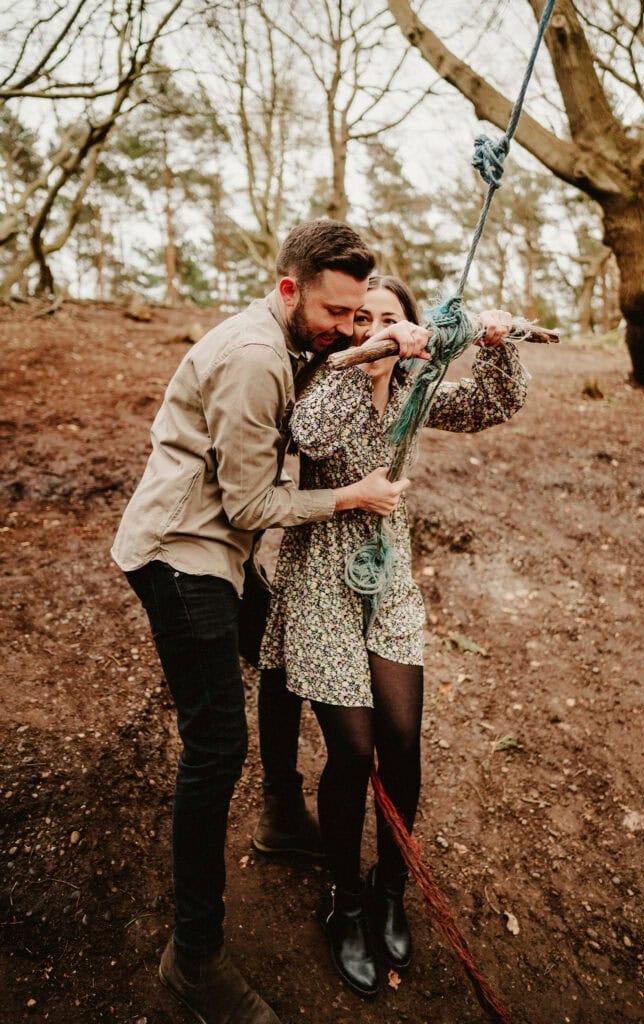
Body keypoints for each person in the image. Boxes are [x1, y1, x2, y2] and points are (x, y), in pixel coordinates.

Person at [110, 226, 432, 1024]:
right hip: (183, 554)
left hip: (229, 542)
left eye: (358, 313)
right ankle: (195, 960)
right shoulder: (256, 356)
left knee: (279, 652)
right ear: (288, 290)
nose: (346, 327)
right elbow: (253, 504)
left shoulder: (298, 340)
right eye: (335, 311)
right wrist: (349, 497)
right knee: (214, 747)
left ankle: (284, 818)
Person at [258, 275, 529, 997]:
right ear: (348, 328)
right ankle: (342, 900)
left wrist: (494, 345)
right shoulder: (324, 381)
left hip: (388, 581)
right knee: (352, 749)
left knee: (402, 741)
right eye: (363, 319)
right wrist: (369, 357)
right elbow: (309, 434)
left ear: (414, 329)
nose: (373, 329)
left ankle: (388, 890)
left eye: (391, 319)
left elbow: (491, 404)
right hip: (320, 577)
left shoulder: (416, 389)